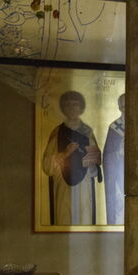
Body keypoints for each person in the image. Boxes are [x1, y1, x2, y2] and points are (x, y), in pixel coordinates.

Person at [42, 91, 102, 225]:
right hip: (64, 185)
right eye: (68, 105)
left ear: (81, 108)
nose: (72, 108)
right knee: (64, 218)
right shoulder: (57, 132)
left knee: (84, 218)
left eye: (75, 104)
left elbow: (96, 162)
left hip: (84, 185)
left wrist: (92, 161)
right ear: (63, 109)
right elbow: (46, 165)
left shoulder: (87, 131)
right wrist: (65, 154)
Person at [103, 93, 125, 225]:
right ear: (119, 107)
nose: (126, 109)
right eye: (123, 106)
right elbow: (107, 156)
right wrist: (119, 152)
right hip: (119, 176)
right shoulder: (115, 127)